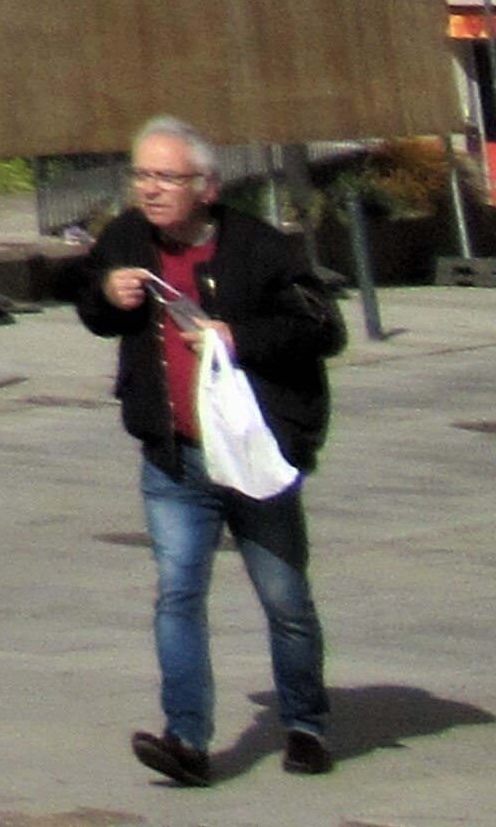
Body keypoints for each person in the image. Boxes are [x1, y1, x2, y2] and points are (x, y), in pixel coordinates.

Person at [66, 116, 344, 785]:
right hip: (173, 458)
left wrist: (234, 335)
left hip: (251, 454)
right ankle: (185, 739)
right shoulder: (128, 237)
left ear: (206, 186)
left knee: (283, 598)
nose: (149, 189)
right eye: (140, 174)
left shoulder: (260, 249)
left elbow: (322, 325)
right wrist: (106, 292)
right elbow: (88, 300)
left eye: (166, 177)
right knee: (176, 593)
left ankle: (304, 723)